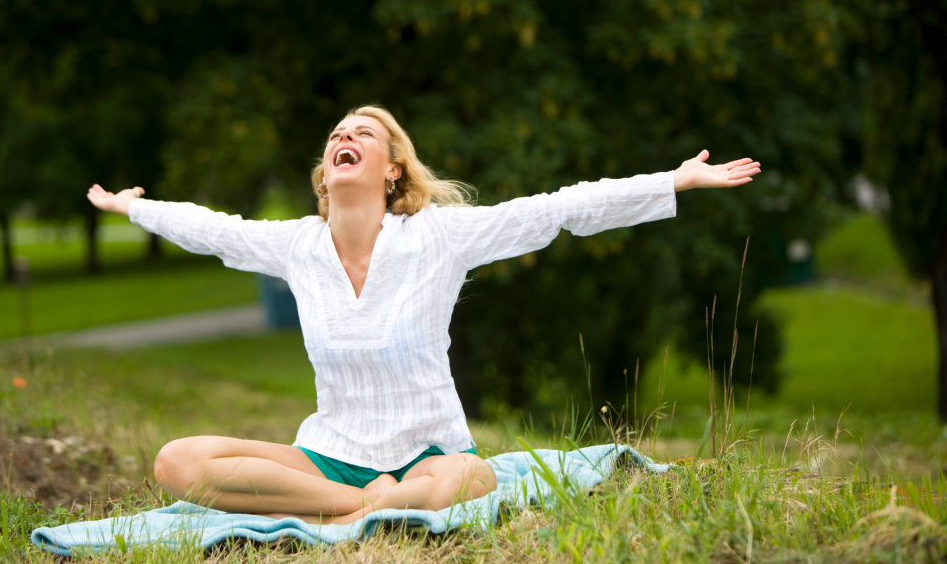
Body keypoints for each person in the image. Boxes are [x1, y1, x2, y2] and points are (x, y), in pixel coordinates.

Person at [87, 105, 760, 524]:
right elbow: (211, 228)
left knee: (469, 477)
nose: (344, 136)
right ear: (327, 173)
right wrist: (129, 207)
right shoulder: (297, 246)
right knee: (178, 461)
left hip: (430, 458)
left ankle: (353, 509)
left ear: (392, 171)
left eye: (364, 133)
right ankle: (353, 510)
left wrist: (671, 182)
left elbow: (559, 209)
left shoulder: (439, 235)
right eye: (337, 134)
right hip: (327, 459)